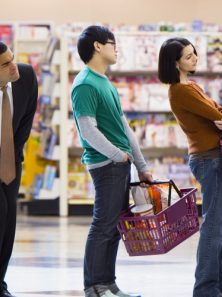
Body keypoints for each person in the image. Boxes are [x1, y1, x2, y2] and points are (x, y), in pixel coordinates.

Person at [158, 37, 222, 297]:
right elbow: (218, 115)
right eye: (188, 56)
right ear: (174, 63)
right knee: (214, 224)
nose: (195, 58)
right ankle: (206, 289)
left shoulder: (192, 86)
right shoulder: (180, 90)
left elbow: (221, 111)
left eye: (194, 53)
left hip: (216, 158)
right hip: (208, 160)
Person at [71, 26, 153, 297]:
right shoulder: (84, 84)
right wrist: (118, 155)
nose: (116, 49)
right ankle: (94, 286)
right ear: (97, 46)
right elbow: (88, 130)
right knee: (103, 225)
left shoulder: (105, 82)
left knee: (114, 227)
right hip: (105, 164)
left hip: (119, 164)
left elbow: (123, 127)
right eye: (112, 43)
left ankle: (108, 283)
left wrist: (141, 165)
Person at [0, 42, 38, 297]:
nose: (14, 66)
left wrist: (12, 158)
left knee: (8, 222)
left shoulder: (26, 77)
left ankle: (0, 283)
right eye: (5, 64)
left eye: (12, 58)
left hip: (10, 162)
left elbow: (24, 122)